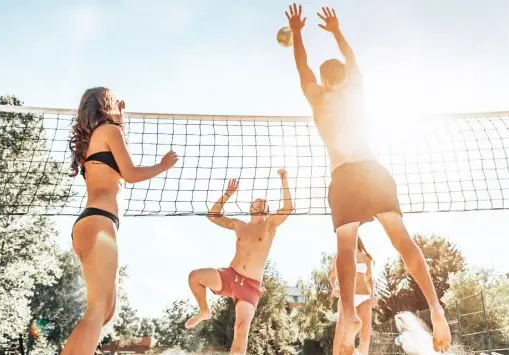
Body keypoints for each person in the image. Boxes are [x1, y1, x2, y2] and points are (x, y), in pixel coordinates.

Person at [285, 4, 452, 354]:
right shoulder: (354, 91)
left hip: (343, 174)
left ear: (323, 79)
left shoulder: (317, 98)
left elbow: (302, 68)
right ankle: (436, 307)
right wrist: (336, 31)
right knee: (403, 242)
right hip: (373, 171)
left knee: (345, 247)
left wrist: (298, 32)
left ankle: (348, 312)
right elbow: (352, 58)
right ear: (343, 77)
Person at [62, 87, 178, 355]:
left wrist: (120, 117)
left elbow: (114, 154)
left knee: (105, 313)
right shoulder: (109, 131)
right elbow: (130, 173)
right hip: (99, 223)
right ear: (106, 104)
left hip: (90, 225)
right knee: (98, 312)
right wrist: (162, 166)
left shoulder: (95, 137)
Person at [185, 169, 293, 355]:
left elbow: (288, 208)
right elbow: (213, 215)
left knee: (241, 331)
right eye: (256, 201)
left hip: (250, 286)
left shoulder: (270, 225)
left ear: (267, 210)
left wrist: (284, 180)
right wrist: (228, 194)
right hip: (229, 276)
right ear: (250, 208)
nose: (260, 202)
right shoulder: (239, 225)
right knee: (195, 276)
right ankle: (204, 311)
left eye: (264, 202)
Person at [329, 237, 374, 355]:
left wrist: (373, 294)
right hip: (347, 296)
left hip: (364, 296)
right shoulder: (341, 255)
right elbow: (333, 276)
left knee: (365, 335)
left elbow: (369, 279)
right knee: (340, 329)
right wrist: (334, 287)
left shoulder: (366, 257)